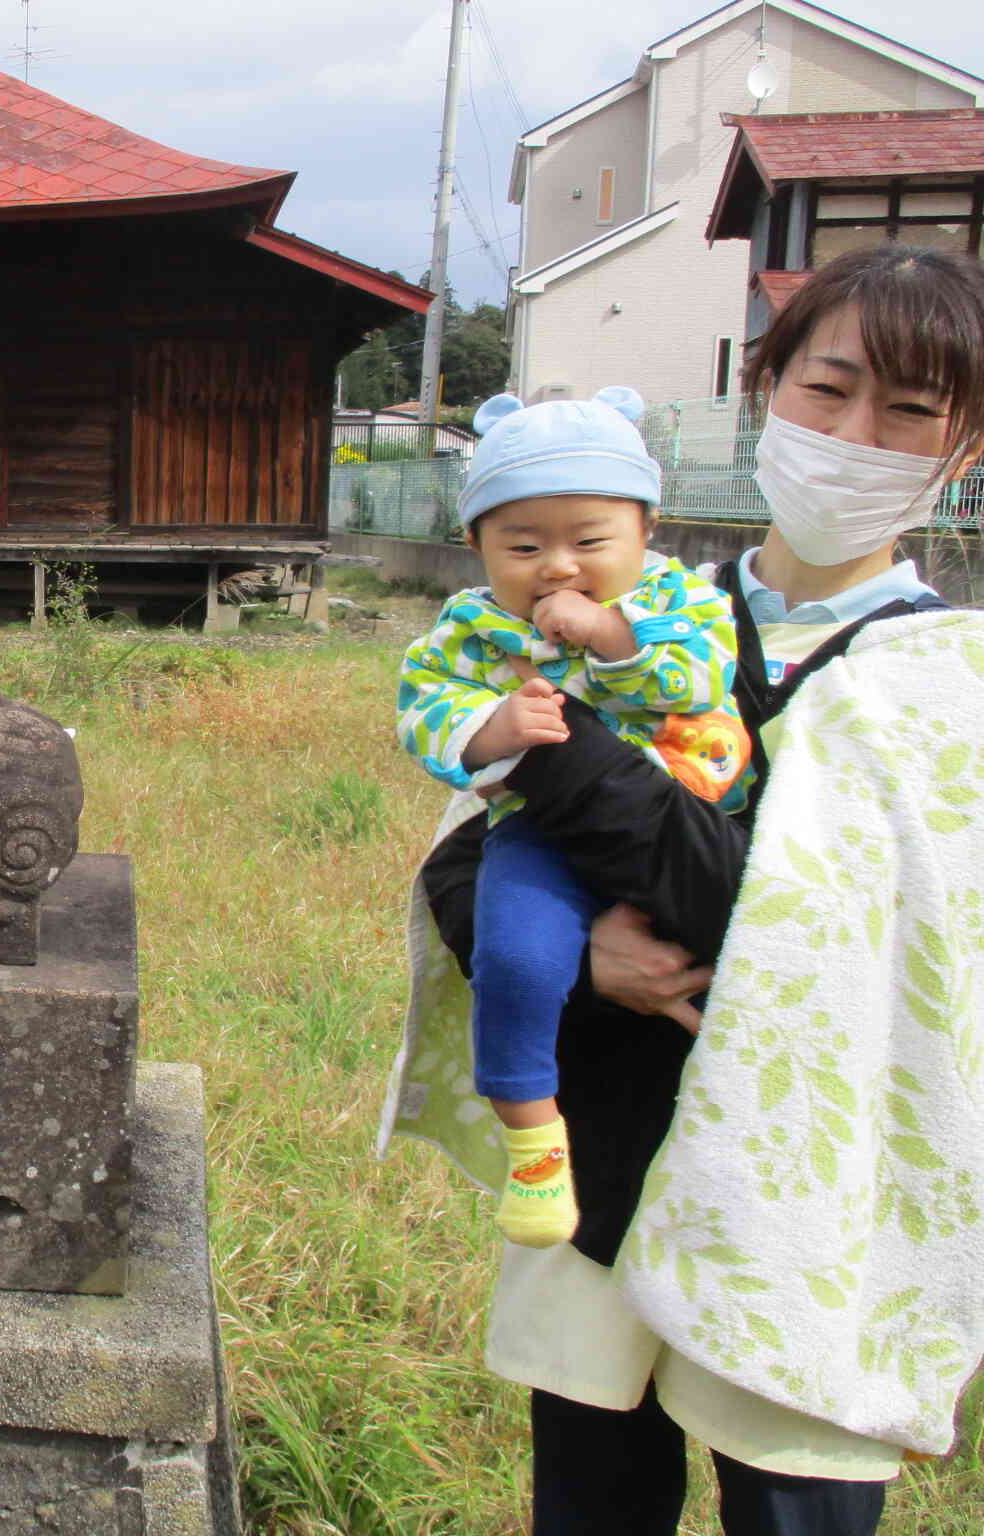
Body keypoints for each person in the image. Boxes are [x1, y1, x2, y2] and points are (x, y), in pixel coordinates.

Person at [383, 243, 984, 1534]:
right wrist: (571, 956)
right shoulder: (644, 608)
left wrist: (577, 762)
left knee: (793, 1505)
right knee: (591, 1500)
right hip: (610, 1158)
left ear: (963, 447)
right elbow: (458, 866)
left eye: (911, 411)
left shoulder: (954, 690)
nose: (854, 434)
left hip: (810, 1214)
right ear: (766, 393)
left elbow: (792, 926)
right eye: (828, 391)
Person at [397, 386, 752, 1248]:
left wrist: (614, 639)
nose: (557, 566)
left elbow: (701, 681)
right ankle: (534, 1147)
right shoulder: (472, 626)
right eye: (523, 545)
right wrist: (489, 731)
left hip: (684, 822)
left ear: (648, 530)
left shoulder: (682, 602)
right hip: (543, 836)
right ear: (476, 544)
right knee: (514, 957)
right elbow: (420, 707)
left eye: (590, 541)